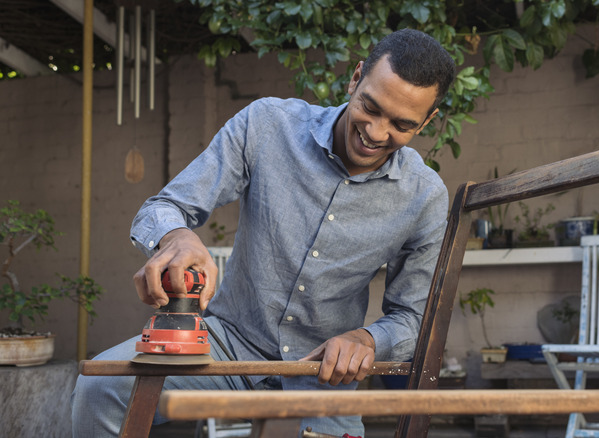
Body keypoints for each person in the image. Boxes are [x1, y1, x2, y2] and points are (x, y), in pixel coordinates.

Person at [71, 28, 455, 437]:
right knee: (100, 388)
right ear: (356, 77)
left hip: (324, 375)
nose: (377, 133)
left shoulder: (425, 196)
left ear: (428, 120)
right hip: (226, 345)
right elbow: (164, 208)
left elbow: (414, 318)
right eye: (370, 107)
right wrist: (177, 237)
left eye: (401, 124)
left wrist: (367, 339)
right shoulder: (268, 125)